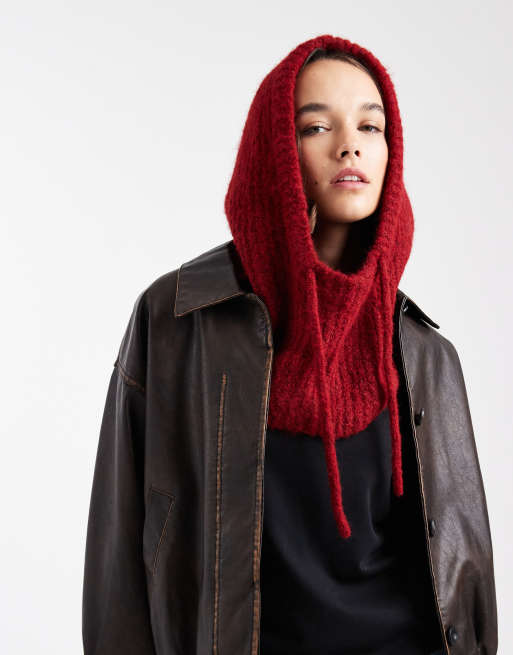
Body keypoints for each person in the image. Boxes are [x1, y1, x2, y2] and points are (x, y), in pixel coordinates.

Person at [82, 35, 498, 655]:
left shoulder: (426, 355)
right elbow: (118, 559)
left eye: (370, 126)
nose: (350, 145)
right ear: (273, 149)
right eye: (316, 127)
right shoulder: (179, 320)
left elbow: (465, 569)